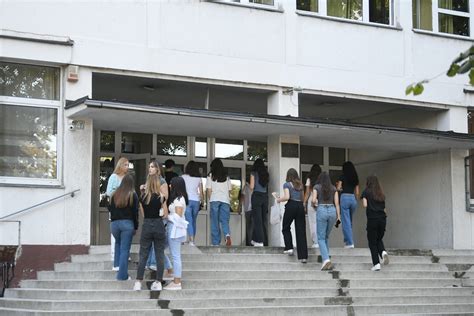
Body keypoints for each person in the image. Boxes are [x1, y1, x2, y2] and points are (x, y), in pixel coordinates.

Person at [133, 174, 167, 291]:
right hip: (158, 225)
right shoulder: (161, 197)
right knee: (159, 255)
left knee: (143, 254)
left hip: (147, 224)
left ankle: (138, 282)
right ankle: (158, 282)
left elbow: (143, 214)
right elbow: (165, 214)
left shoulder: (142, 197)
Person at [273, 168, 308, 263]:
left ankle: (289, 248)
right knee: (301, 231)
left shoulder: (287, 184)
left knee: (285, 227)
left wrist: (278, 199)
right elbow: (302, 198)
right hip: (300, 206)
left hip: (291, 205)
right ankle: (303, 256)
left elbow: (287, 197)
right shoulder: (300, 185)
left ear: (288, 176)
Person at [140, 160, 168, 271]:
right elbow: (144, 199)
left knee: (155, 242)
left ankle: (152, 262)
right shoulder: (148, 181)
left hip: (158, 215)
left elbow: (165, 198)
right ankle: (148, 262)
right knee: (148, 242)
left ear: (157, 169)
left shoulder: (162, 181)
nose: (150, 168)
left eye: (152, 167)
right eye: (149, 167)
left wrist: (164, 213)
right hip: (149, 215)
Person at [109, 174, 138, 280]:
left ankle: (116, 265)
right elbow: (135, 212)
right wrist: (135, 226)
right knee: (125, 249)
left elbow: (110, 209)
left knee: (118, 243)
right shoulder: (132, 195)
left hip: (114, 224)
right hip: (127, 224)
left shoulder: (114, 194)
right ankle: (122, 275)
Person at [164, 176, 188, 291]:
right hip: (172, 228)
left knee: (175, 255)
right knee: (161, 249)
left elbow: (178, 217)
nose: (169, 185)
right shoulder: (177, 199)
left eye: (171, 183)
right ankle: (170, 269)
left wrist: (167, 216)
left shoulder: (179, 200)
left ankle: (177, 281)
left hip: (175, 230)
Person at [312, 172, 341, 270]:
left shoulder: (316, 187)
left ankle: (326, 260)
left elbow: (313, 200)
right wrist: (338, 217)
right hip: (332, 211)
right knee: (326, 236)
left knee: (320, 237)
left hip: (322, 210)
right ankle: (327, 258)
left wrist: (314, 203)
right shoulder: (334, 188)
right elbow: (337, 204)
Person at [362, 175, 389, 271]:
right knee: (378, 239)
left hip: (372, 219)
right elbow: (385, 209)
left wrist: (369, 203)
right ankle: (383, 252)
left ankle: (376, 264)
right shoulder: (381, 194)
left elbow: (365, 205)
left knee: (372, 242)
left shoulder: (366, 191)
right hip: (383, 219)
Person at [106, 157, 129, 271]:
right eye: (125, 165)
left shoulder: (127, 178)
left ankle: (124, 254)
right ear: (120, 165)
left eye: (128, 165)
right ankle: (114, 254)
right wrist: (120, 192)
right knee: (116, 233)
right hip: (116, 208)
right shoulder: (113, 177)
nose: (127, 167)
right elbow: (108, 192)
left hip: (126, 208)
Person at [207, 158, 232, 246]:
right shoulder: (227, 176)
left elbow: (209, 190)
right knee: (224, 220)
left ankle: (216, 243)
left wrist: (211, 199)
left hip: (214, 200)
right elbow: (229, 191)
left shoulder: (210, 175)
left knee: (214, 221)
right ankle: (227, 235)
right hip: (225, 201)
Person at [336, 161, 360, 248]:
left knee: (346, 222)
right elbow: (357, 192)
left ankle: (350, 243)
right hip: (353, 198)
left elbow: (338, 188)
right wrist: (355, 200)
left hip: (344, 198)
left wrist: (341, 188)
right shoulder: (355, 177)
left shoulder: (342, 176)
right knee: (349, 222)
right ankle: (347, 241)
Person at [182, 160, 204, 246]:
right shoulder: (199, 178)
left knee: (188, 220)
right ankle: (192, 240)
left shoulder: (183, 177)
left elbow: (181, 189)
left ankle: (190, 240)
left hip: (187, 201)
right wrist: (202, 202)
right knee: (193, 221)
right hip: (196, 201)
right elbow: (201, 193)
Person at [250, 158, 269, 247]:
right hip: (265, 197)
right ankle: (254, 239)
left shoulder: (253, 173)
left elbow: (252, 186)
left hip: (256, 196)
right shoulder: (266, 174)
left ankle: (260, 241)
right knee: (262, 220)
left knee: (257, 220)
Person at [303, 164, 322, 249]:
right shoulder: (322, 179)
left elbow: (307, 193)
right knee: (320, 222)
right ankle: (321, 241)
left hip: (312, 200)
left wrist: (304, 202)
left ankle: (315, 242)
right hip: (321, 200)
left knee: (313, 222)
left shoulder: (309, 179)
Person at [239, 176, 253, 246]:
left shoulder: (246, 187)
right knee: (253, 226)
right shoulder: (252, 187)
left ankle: (250, 242)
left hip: (248, 209)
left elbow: (242, 197)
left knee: (249, 227)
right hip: (253, 209)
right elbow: (242, 197)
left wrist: (239, 207)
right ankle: (252, 242)